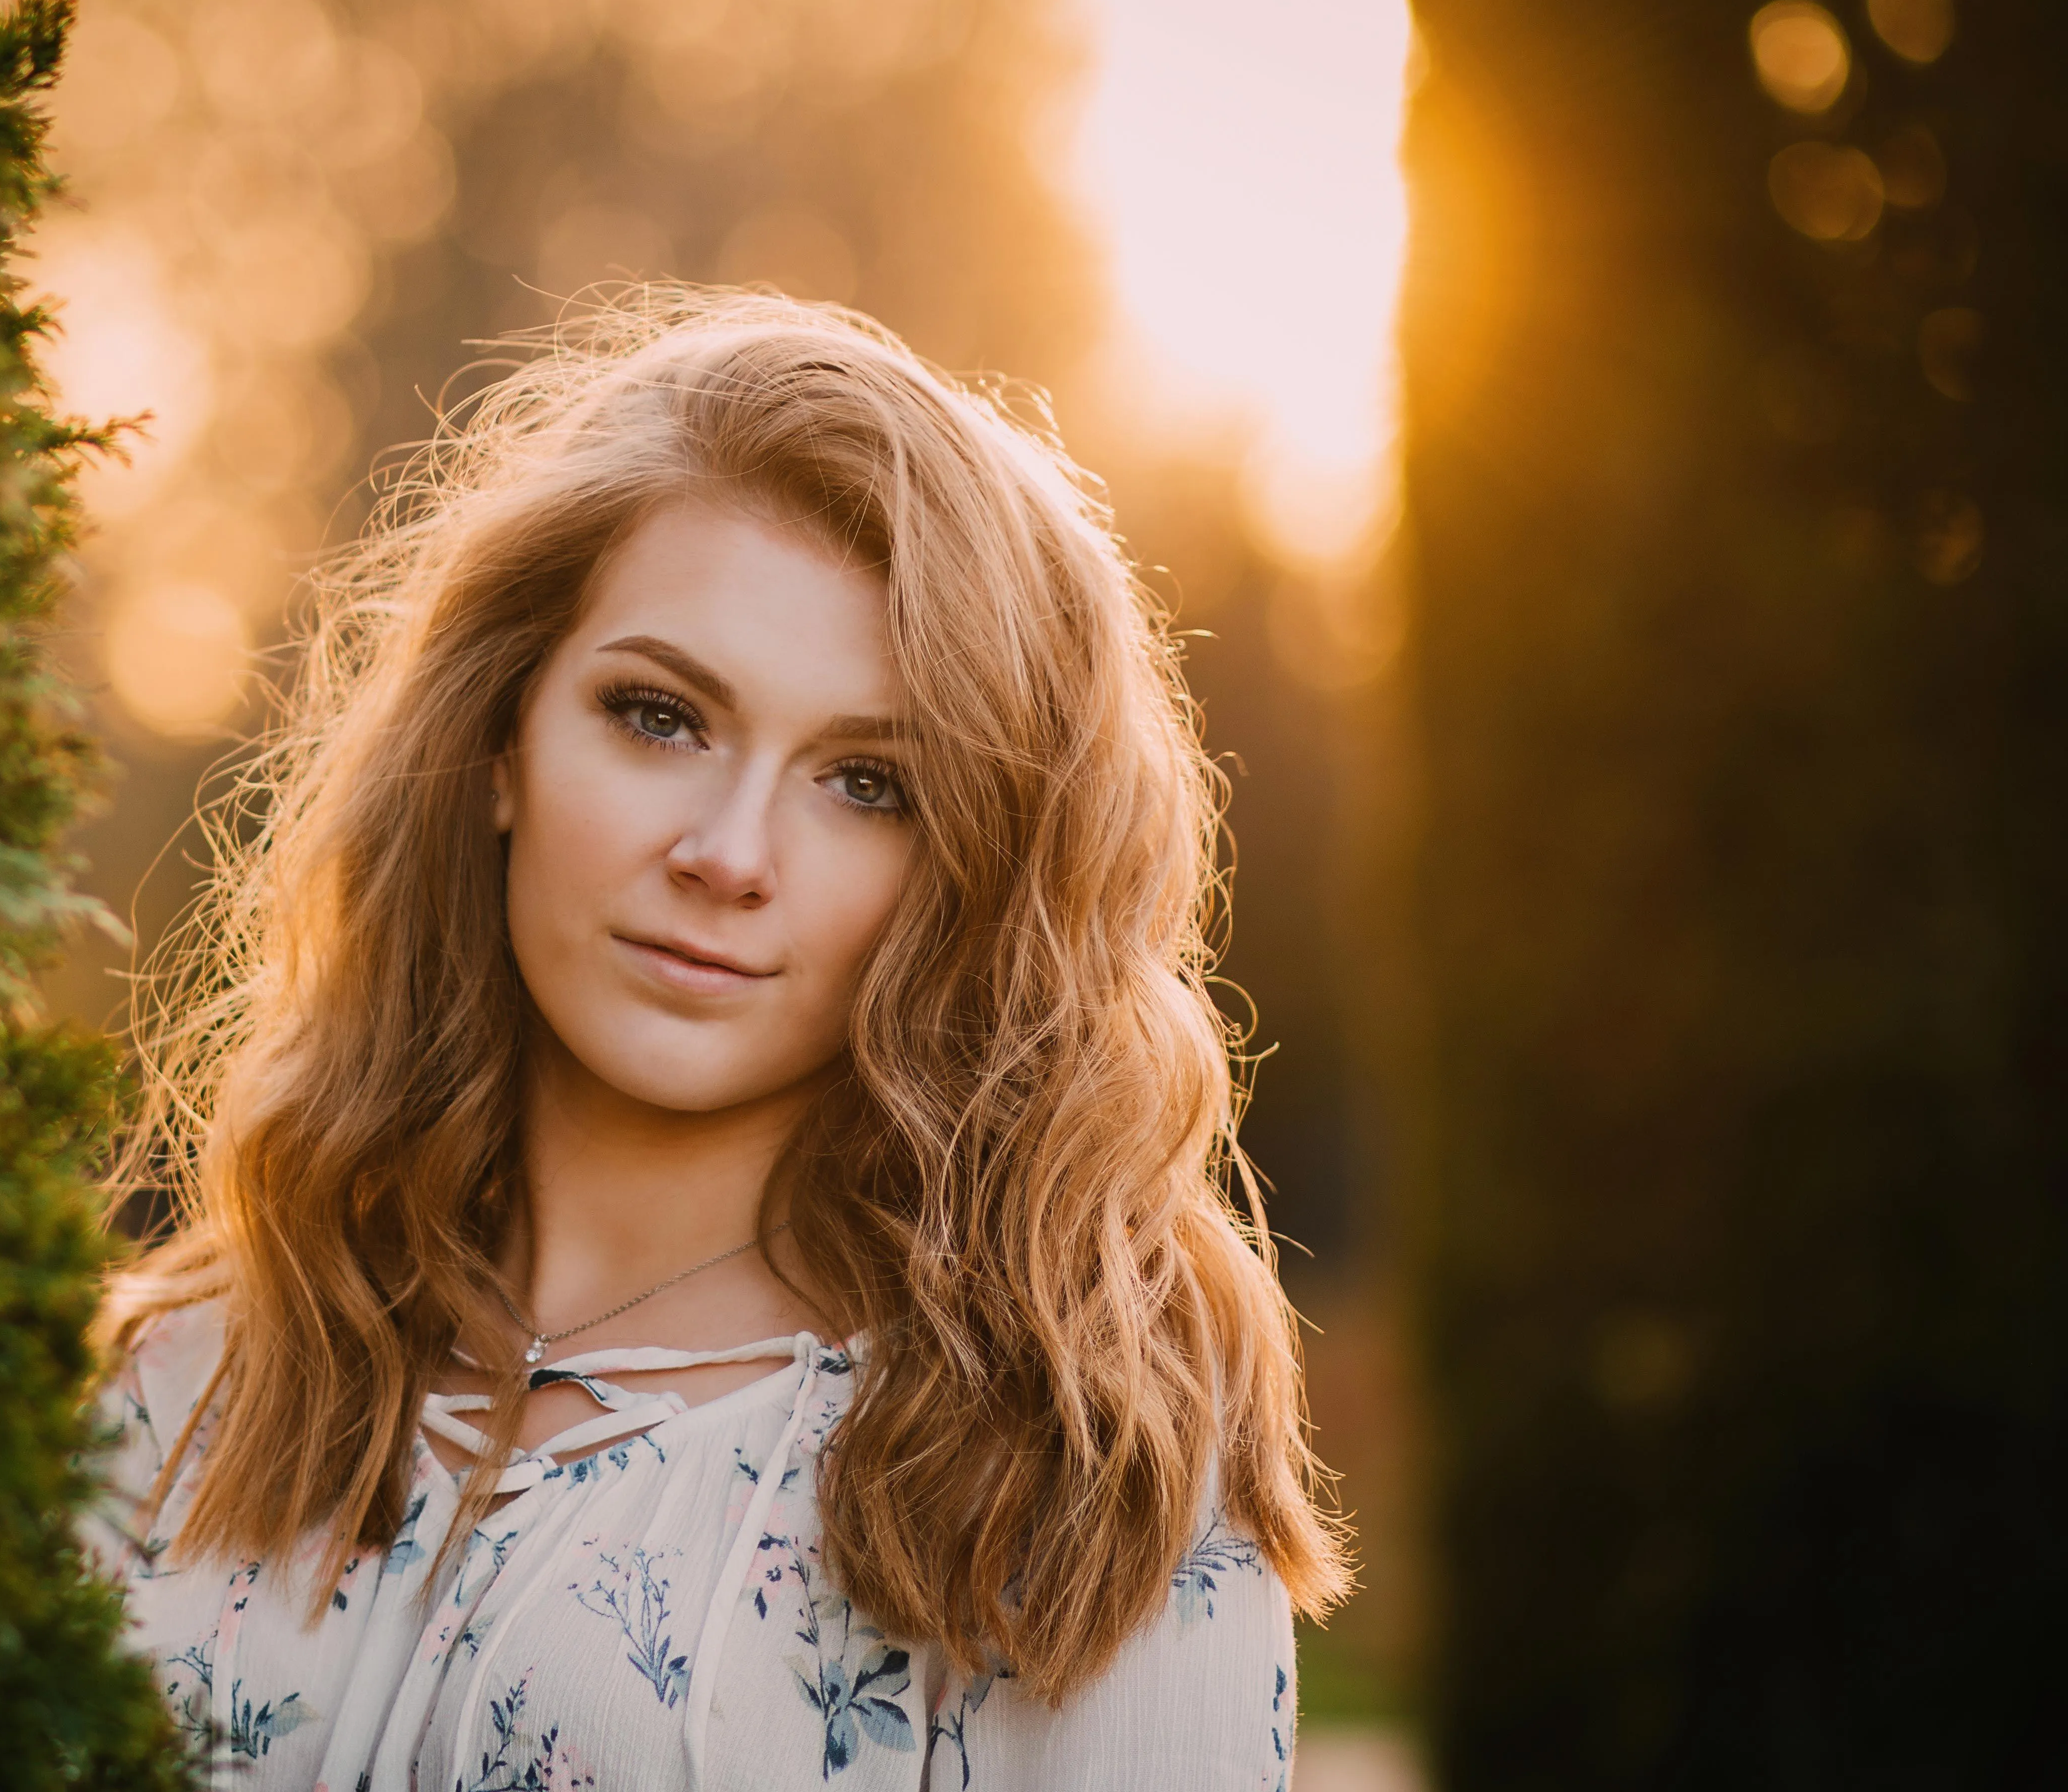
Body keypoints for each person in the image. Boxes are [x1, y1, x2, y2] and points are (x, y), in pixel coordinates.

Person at [87, 291, 1347, 1789]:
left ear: (972, 873)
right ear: (502, 738)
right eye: (660, 716)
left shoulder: (1068, 1463)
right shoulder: (186, 1371)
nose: (731, 854)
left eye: (869, 784)